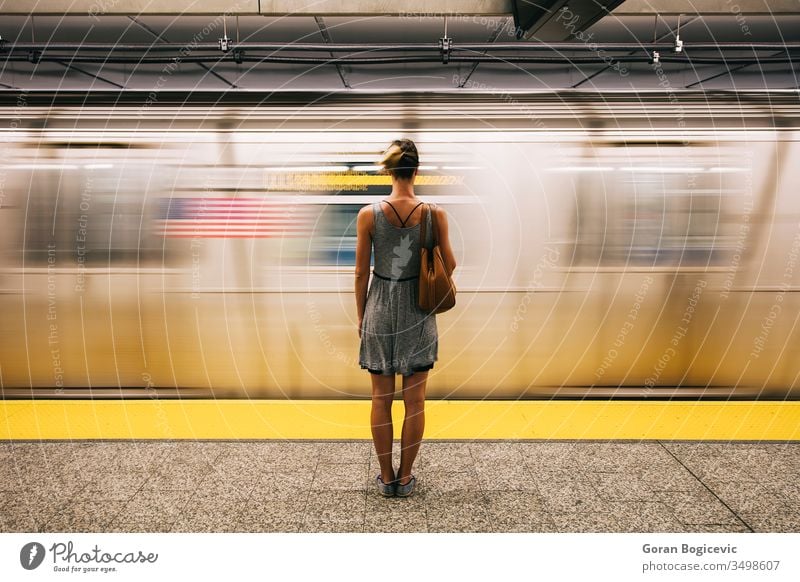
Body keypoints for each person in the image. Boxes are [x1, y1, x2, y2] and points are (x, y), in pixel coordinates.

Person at [354, 139, 457, 498]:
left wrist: (361, 318)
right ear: (416, 170)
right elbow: (451, 264)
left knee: (380, 399)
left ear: (388, 170)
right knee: (415, 401)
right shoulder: (435, 213)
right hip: (419, 309)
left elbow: (359, 274)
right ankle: (406, 476)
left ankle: (386, 478)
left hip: (379, 308)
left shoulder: (369, 214)